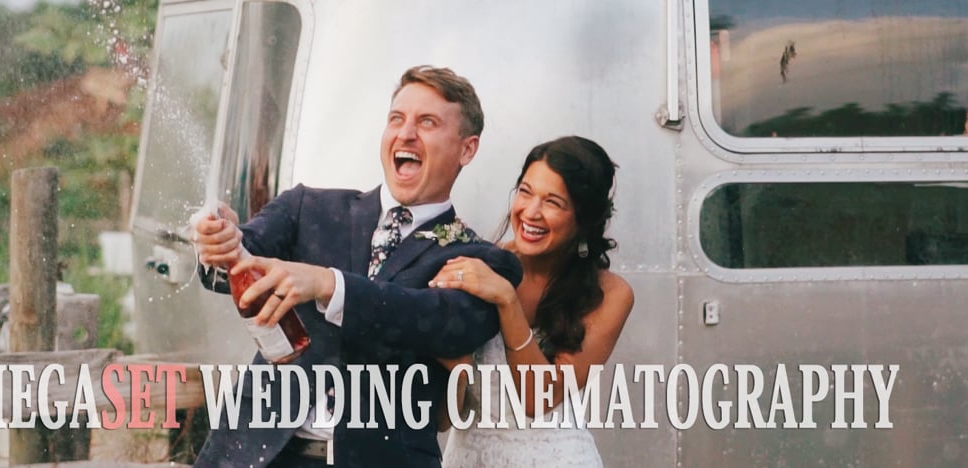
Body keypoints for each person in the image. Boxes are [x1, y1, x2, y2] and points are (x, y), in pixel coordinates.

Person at [190, 65, 523, 467]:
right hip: (254, 454)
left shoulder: (485, 260)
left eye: (428, 122)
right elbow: (239, 258)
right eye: (396, 119)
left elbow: (441, 326)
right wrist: (219, 241)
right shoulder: (306, 206)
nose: (406, 133)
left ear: (467, 149)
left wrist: (329, 284)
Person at [431, 136, 635, 467]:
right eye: (525, 192)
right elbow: (443, 419)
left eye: (553, 202)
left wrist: (507, 303)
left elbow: (540, 398)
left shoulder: (612, 294)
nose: (531, 212)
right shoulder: (479, 266)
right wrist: (457, 369)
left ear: (583, 219)